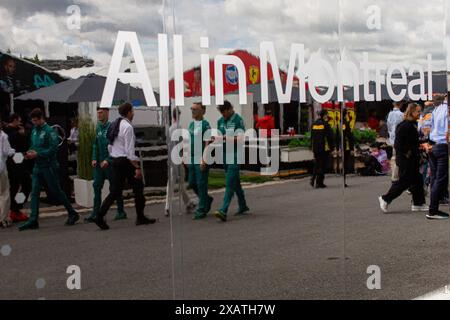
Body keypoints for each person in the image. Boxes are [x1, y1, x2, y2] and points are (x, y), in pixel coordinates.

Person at [95, 102, 156, 230]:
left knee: (115, 191)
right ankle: (140, 216)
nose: (133, 113)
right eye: (132, 111)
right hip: (125, 161)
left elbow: (109, 145)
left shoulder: (115, 125)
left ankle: (100, 215)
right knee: (138, 187)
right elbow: (129, 151)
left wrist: (112, 156)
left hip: (116, 161)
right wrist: (137, 167)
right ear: (128, 112)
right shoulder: (127, 127)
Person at [19, 108, 80, 231]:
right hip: (37, 166)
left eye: (36, 120)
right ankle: (33, 220)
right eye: (33, 121)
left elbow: (53, 150)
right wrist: (30, 152)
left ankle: (72, 213)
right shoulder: (34, 131)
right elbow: (33, 145)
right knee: (35, 192)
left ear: (42, 118)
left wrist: (38, 154)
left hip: (49, 166)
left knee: (56, 191)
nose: (34, 123)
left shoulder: (50, 131)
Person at [378, 103, 429, 214]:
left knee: (417, 180)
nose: (419, 114)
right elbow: (398, 144)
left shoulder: (412, 124)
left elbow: (413, 141)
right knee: (404, 181)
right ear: (411, 112)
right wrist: (408, 152)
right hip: (406, 159)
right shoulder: (405, 125)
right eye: (418, 111)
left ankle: (418, 203)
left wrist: (423, 142)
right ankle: (386, 198)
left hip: (411, 158)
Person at [84, 107, 127, 223]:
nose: (99, 115)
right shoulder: (97, 127)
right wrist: (93, 158)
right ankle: (95, 213)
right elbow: (95, 145)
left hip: (110, 164)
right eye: (97, 113)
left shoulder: (112, 127)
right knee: (96, 187)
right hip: (99, 165)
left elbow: (115, 146)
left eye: (101, 113)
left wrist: (108, 160)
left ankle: (121, 211)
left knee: (115, 188)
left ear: (107, 113)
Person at [212, 100, 249, 222]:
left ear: (229, 109)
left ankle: (223, 210)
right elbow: (220, 137)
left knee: (229, 182)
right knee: (235, 182)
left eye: (224, 112)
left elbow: (240, 139)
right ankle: (243, 205)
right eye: (221, 113)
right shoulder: (220, 121)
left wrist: (223, 137)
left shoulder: (238, 120)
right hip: (225, 155)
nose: (223, 115)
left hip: (235, 155)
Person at [165, 108, 196, 217]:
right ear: (178, 115)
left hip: (171, 159)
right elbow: (182, 145)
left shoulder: (169, 129)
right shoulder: (179, 128)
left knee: (171, 183)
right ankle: (188, 203)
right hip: (178, 159)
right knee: (181, 183)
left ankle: (168, 207)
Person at [425, 94, 449, 220]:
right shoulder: (446, 109)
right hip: (441, 146)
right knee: (440, 179)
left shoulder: (437, 108)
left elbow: (431, 127)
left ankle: (433, 208)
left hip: (433, 145)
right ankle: (433, 210)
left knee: (435, 178)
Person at [188, 102, 213, 220]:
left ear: (202, 111)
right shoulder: (191, 125)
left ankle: (202, 208)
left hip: (201, 157)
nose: (193, 111)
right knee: (191, 182)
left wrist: (204, 159)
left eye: (195, 109)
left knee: (201, 184)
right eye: (192, 109)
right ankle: (206, 199)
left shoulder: (205, 125)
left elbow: (207, 143)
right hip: (192, 157)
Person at [4, 113, 31, 223]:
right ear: (14, 120)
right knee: (26, 185)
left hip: (9, 163)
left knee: (15, 187)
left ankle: (14, 209)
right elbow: (24, 146)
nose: (21, 123)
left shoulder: (4, 132)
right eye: (19, 121)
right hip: (17, 162)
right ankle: (15, 209)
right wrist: (23, 135)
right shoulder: (15, 133)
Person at [311, 109, 334, 189]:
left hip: (315, 148)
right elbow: (330, 137)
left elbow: (312, 137)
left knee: (317, 164)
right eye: (326, 114)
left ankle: (313, 179)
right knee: (322, 165)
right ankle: (319, 182)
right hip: (323, 148)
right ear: (324, 115)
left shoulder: (313, 124)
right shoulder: (325, 124)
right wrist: (332, 148)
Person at [0, 120, 15, 227]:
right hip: (1, 167)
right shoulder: (3, 136)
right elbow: (7, 151)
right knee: (4, 193)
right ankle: (3, 219)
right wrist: (13, 151)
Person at [336, 108, 355, 187]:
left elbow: (337, 135)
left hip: (341, 145)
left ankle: (343, 180)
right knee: (345, 162)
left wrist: (337, 147)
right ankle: (343, 180)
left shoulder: (338, 123)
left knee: (344, 162)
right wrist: (351, 148)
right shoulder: (345, 123)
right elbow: (348, 135)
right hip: (345, 145)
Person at [386, 101, 404, 182]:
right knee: (398, 157)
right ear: (400, 104)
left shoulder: (390, 114)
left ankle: (394, 175)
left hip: (392, 138)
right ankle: (395, 175)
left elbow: (389, 126)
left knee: (394, 157)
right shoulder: (401, 115)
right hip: (399, 138)